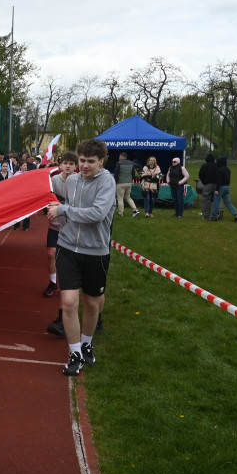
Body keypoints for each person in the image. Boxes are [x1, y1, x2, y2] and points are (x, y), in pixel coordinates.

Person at [45, 138, 115, 376]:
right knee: (69, 302)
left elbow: (96, 214)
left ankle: (86, 344)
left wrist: (63, 210)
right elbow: (72, 212)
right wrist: (59, 216)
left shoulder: (107, 181)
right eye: (82, 160)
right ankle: (75, 353)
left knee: (92, 303)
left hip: (95, 251)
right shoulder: (72, 180)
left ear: (101, 162)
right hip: (67, 249)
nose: (84, 166)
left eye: (90, 161)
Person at [43, 151, 78, 313]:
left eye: (71, 163)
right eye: (65, 163)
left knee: (66, 258)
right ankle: (52, 283)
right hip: (54, 225)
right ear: (61, 164)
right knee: (51, 254)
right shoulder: (53, 180)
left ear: (75, 166)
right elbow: (44, 195)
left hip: (70, 227)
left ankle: (68, 286)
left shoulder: (79, 182)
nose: (68, 166)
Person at [210, 156, 237, 222]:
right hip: (227, 187)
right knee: (228, 202)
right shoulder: (228, 169)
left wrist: (216, 189)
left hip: (221, 187)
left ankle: (214, 216)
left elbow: (219, 181)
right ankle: (236, 215)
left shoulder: (219, 170)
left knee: (216, 201)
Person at [113, 152, 140, 218]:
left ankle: (121, 213)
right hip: (129, 183)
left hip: (120, 183)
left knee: (120, 198)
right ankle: (135, 210)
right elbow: (134, 174)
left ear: (121, 157)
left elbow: (116, 174)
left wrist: (115, 182)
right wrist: (131, 180)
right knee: (128, 197)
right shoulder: (131, 163)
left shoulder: (118, 163)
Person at [198, 153, 219, 220]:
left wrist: (204, 182)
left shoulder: (204, 166)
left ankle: (206, 216)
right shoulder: (217, 166)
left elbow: (200, 175)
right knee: (216, 200)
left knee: (206, 200)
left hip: (207, 185)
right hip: (216, 185)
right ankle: (217, 214)